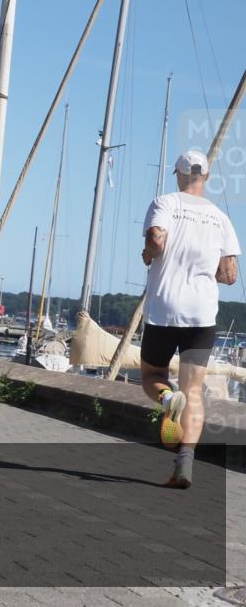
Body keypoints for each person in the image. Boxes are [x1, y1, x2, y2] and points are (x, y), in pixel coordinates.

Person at [139, 150, 239, 488]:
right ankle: (184, 464)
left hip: (165, 310)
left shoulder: (165, 203)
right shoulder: (221, 218)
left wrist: (149, 254)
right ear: (206, 176)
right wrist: (205, 269)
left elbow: (156, 239)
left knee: (152, 375)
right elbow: (230, 274)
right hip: (202, 315)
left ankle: (168, 399)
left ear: (178, 175)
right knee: (193, 390)